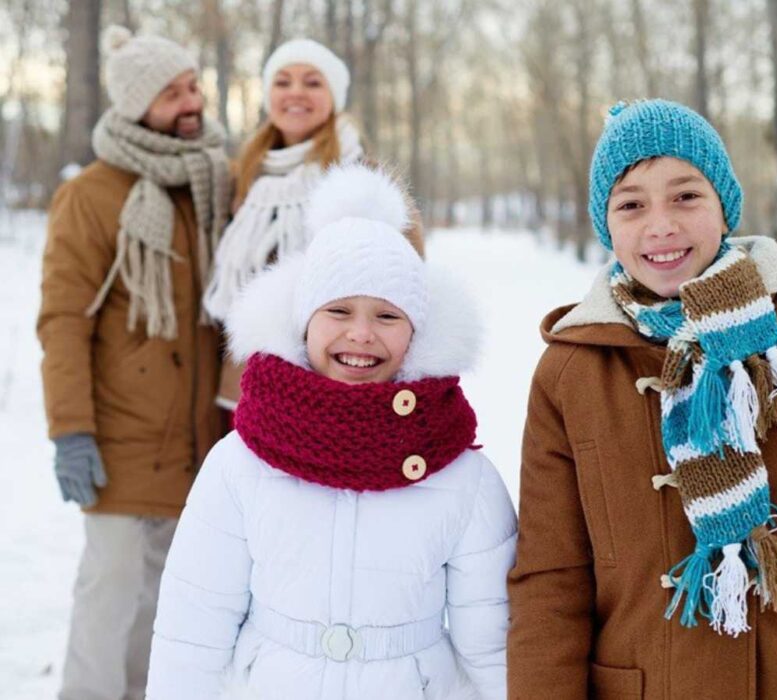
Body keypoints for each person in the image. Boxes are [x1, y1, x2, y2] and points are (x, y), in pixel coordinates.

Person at [507, 99, 777, 698]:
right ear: (607, 226)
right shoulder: (570, 372)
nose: (661, 224)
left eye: (686, 196)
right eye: (632, 205)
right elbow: (552, 580)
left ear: (724, 205)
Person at [145, 164, 516, 700]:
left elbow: (492, 646)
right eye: (338, 310)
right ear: (303, 321)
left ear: (418, 330)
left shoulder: (464, 476)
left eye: (387, 316)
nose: (361, 335)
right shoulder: (241, 462)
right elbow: (193, 629)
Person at [37, 25, 230, 700]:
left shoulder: (208, 179)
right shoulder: (92, 194)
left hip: (194, 437)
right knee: (109, 593)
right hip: (119, 437)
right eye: (172, 92)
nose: (191, 102)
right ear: (135, 105)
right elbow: (63, 321)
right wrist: (71, 431)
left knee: (166, 598)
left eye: (192, 85)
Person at [203, 38, 421, 411]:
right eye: (283, 82)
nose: (296, 93)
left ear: (334, 96)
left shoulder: (365, 179)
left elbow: (409, 286)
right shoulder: (245, 175)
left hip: (333, 388)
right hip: (247, 385)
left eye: (313, 82)